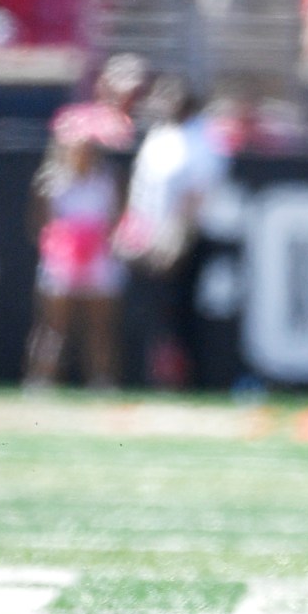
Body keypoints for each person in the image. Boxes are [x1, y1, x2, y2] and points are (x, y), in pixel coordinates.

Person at [114, 79, 230, 388]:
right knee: (149, 313)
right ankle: (151, 377)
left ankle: (186, 380)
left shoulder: (203, 138)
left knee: (181, 313)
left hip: (184, 239)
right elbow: (141, 189)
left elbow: (196, 194)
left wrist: (175, 238)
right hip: (148, 236)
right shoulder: (160, 134)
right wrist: (130, 228)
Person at [24, 132, 123, 391]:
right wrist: (66, 243)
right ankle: (41, 381)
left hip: (98, 259)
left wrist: (92, 242)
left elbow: (114, 220)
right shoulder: (52, 183)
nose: (82, 155)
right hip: (62, 261)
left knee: (99, 328)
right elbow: (40, 225)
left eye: (88, 150)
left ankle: (102, 382)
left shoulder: (106, 182)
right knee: (54, 327)